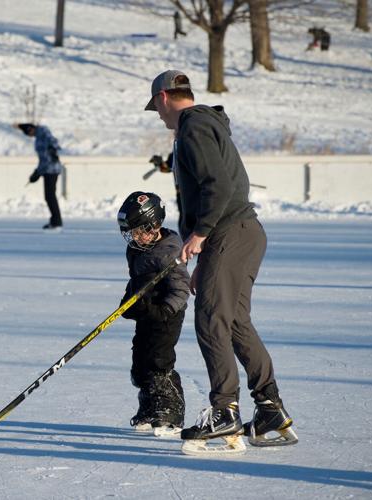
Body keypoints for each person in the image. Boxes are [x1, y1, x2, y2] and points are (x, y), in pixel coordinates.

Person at [144, 70, 297, 454]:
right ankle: (269, 409)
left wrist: (200, 235)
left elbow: (219, 185)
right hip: (240, 234)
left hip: (229, 231)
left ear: (164, 97)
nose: (159, 117)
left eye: (157, 109)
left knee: (211, 319)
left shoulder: (193, 126)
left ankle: (224, 409)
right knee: (234, 321)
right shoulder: (204, 124)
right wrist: (205, 255)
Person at [117, 191, 190, 437]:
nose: (134, 237)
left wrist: (165, 310)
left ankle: (169, 411)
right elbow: (137, 280)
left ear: (154, 224)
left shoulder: (169, 252)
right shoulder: (136, 249)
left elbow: (181, 288)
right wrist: (130, 300)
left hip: (167, 313)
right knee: (140, 361)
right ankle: (149, 407)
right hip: (147, 312)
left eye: (139, 231)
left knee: (159, 360)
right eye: (131, 232)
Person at [18, 123, 64, 231]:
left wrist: (53, 149)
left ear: (31, 129)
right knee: (49, 196)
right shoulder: (38, 138)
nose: (30, 135)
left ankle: (57, 222)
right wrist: (36, 173)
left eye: (28, 132)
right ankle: (55, 220)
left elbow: (53, 141)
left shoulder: (43, 132)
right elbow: (43, 159)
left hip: (52, 169)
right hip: (47, 169)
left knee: (50, 196)